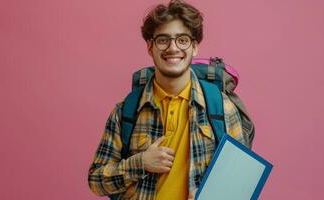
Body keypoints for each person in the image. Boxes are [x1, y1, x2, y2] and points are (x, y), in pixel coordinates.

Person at [88, 0, 252, 199]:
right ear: (150, 46)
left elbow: (241, 184)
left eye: (182, 40)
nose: (173, 48)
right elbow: (96, 181)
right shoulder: (126, 111)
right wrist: (139, 163)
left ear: (195, 46)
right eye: (163, 40)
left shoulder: (222, 108)